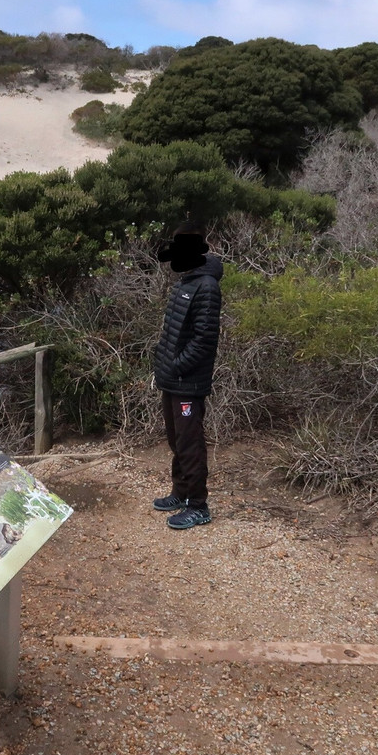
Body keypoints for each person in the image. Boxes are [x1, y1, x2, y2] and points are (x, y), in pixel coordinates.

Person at [152, 221, 223, 529]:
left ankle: (198, 505)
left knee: (190, 443)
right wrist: (162, 363)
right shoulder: (185, 281)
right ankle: (181, 493)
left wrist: (178, 365)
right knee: (176, 439)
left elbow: (205, 339)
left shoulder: (207, 286)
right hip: (172, 378)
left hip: (188, 381)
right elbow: (173, 332)